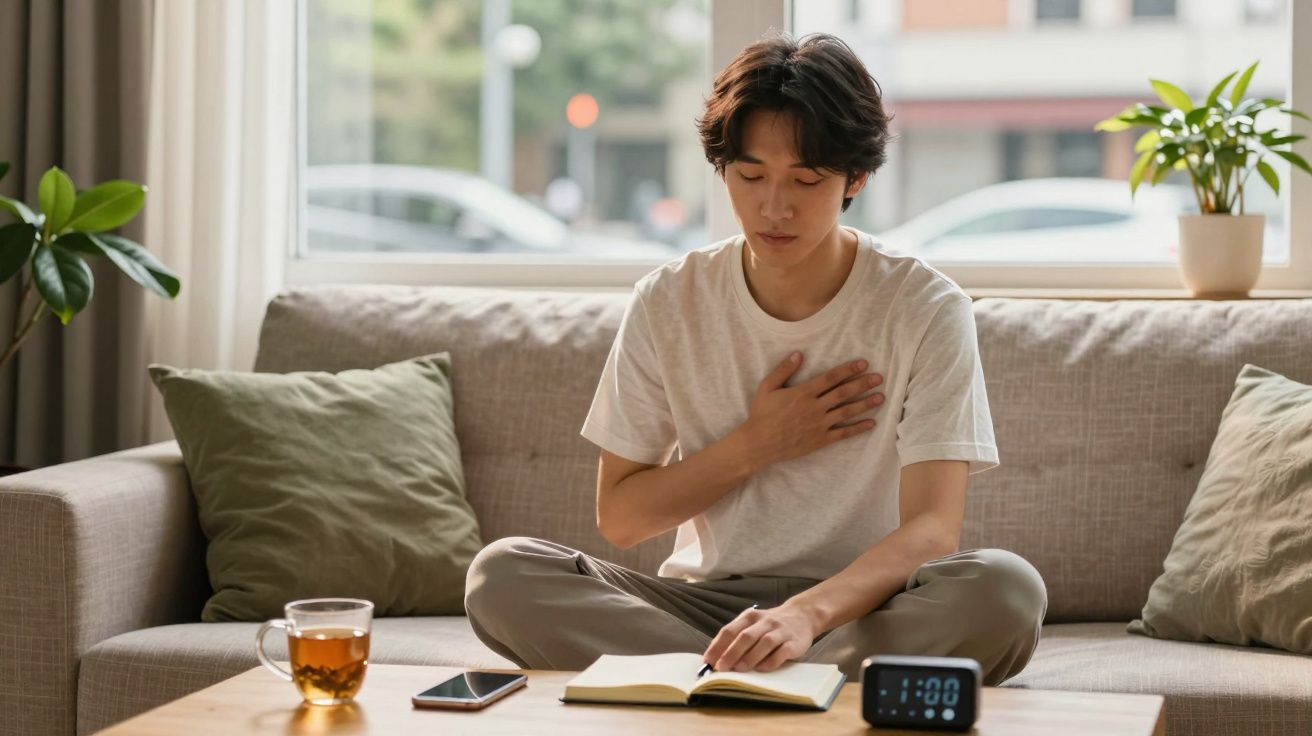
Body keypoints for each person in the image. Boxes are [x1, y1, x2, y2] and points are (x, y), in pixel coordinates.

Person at [464, 32, 1047, 685]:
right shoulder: (668, 300)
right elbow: (622, 519)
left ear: (855, 176)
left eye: (806, 179)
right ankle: (787, 681)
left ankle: (719, 681)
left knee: (1006, 590)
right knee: (502, 575)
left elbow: (933, 532)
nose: (775, 206)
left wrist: (803, 616)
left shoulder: (925, 306)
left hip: (861, 606)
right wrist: (757, 444)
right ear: (724, 171)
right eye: (751, 176)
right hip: (703, 607)